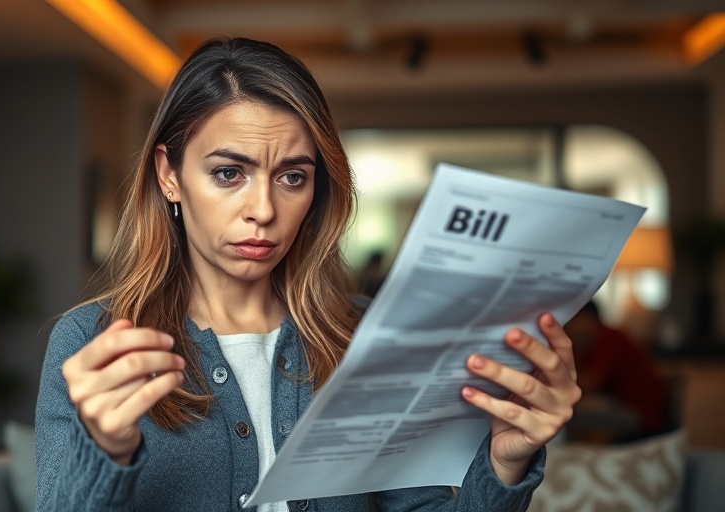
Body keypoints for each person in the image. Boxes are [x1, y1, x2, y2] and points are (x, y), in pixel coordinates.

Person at [35, 37, 581, 511]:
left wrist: (504, 464)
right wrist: (102, 453)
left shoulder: (366, 336)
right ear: (169, 175)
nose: (264, 210)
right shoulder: (90, 343)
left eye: (292, 177)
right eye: (229, 173)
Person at [563, 300, 669, 441]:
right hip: (623, 408)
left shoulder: (610, 338)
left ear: (588, 319)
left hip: (642, 417)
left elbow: (588, 384)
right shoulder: (588, 344)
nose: (568, 327)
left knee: (575, 420)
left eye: (571, 321)